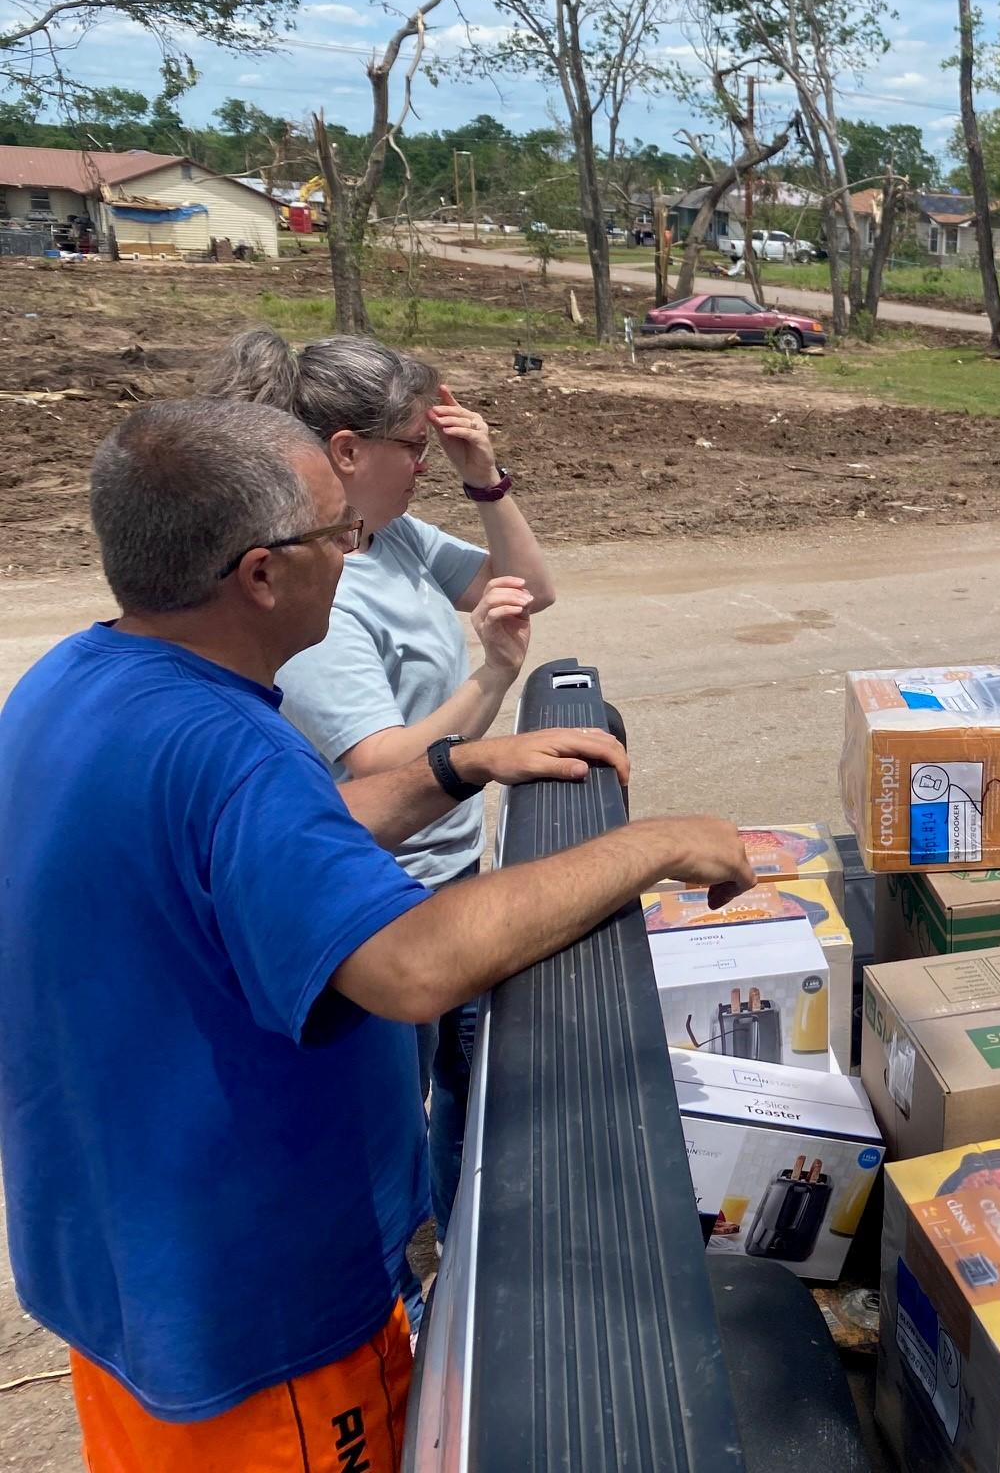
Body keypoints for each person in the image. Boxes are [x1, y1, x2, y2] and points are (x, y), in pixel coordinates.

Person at [0, 398, 753, 1472]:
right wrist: (657, 844)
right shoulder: (229, 748)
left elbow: (257, 847)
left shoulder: (76, 682)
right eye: (337, 536)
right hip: (261, 1325)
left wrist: (453, 768)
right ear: (261, 574)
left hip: (122, 1267)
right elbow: (411, 966)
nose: (354, 557)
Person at [204, 328, 555, 1232]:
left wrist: (487, 476)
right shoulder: (318, 588)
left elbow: (526, 585)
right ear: (348, 453)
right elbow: (383, 767)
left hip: (450, 872)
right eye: (415, 445)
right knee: (390, 1122)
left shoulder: (393, 538)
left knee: (467, 1096)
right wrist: (491, 679)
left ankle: (454, 1239)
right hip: (386, 898)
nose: (424, 464)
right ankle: (402, 1285)